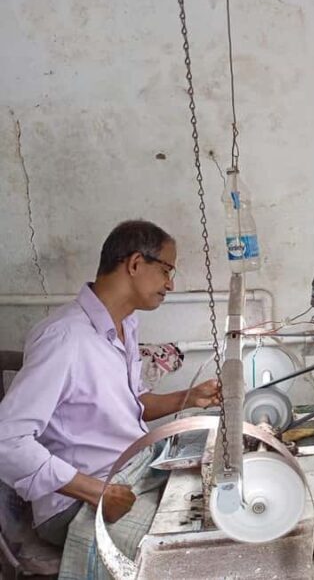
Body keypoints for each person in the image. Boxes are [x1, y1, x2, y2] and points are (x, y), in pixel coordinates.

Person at [0, 220, 220, 576]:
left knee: (213, 491)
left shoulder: (124, 325)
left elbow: (131, 406)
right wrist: (97, 492)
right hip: (73, 501)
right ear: (135, 264)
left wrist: (190, 396)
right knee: (184, 553)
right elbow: (7, 440)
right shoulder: (64, 338)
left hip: (128, 472)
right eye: (166, 270)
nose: (170, 284)